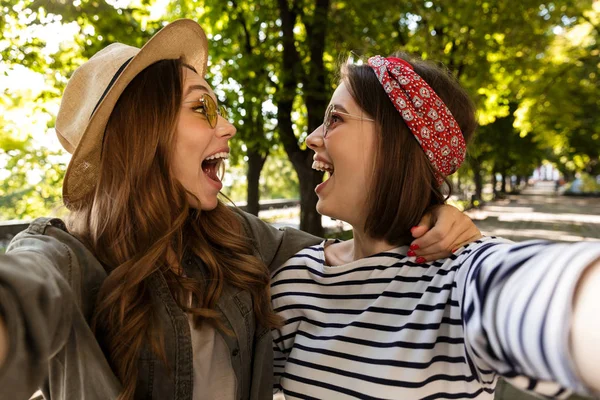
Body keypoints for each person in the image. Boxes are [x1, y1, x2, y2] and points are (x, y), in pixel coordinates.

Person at [0, 20, 479, 400]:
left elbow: (359, 252)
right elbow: (25, 294)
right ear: (143, 132)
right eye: (202, 109)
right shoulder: (63, 257)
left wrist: (431, 214)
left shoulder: (234, 240)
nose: (227, 127)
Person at [271, 54, 600, 399]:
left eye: (335, 119)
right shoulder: (296, 277)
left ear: (397, 143)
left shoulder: (462, 278)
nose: (311, 137)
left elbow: (540, 296)